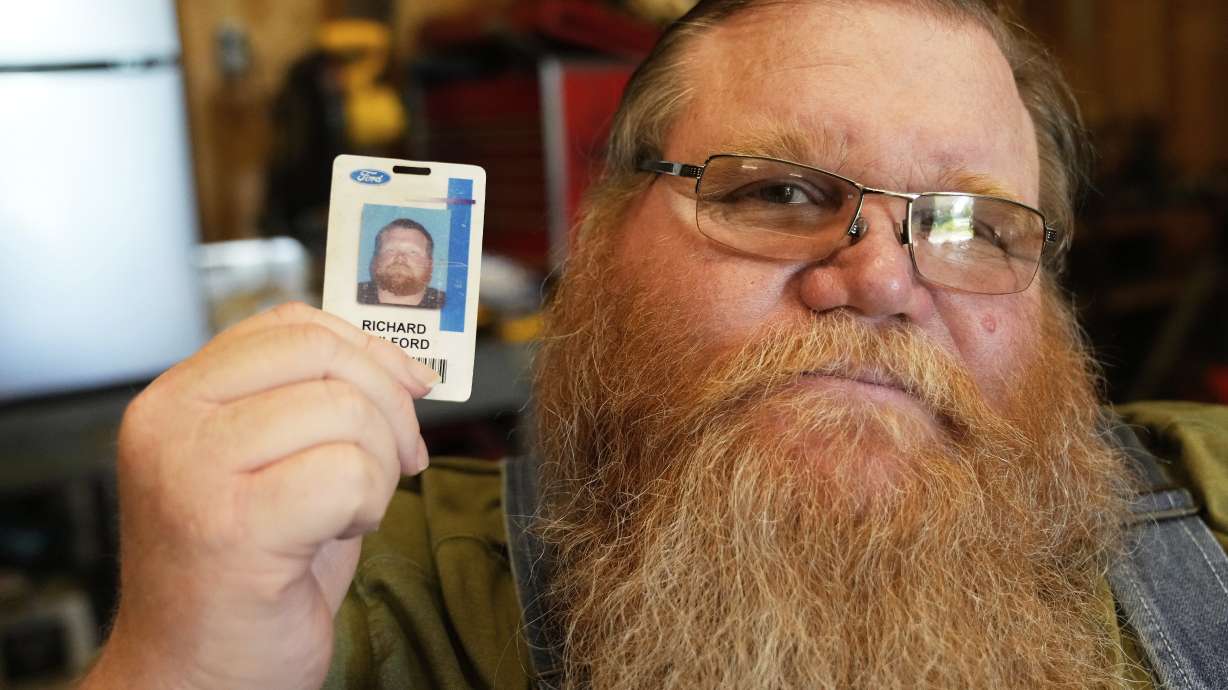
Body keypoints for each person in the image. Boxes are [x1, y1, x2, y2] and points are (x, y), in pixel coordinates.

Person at [81, 1, 1228, 689]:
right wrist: (179, 661)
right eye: (778, 188)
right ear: (602, 233)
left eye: (972, 224)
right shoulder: (351, 584)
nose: (881, 278)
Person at [357, 218, 446, 309]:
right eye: (391, 250)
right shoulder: (351, 294)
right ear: (375, 259)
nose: (400, 258)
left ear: (430, 263)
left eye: (413, 252)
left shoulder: (449, 305)